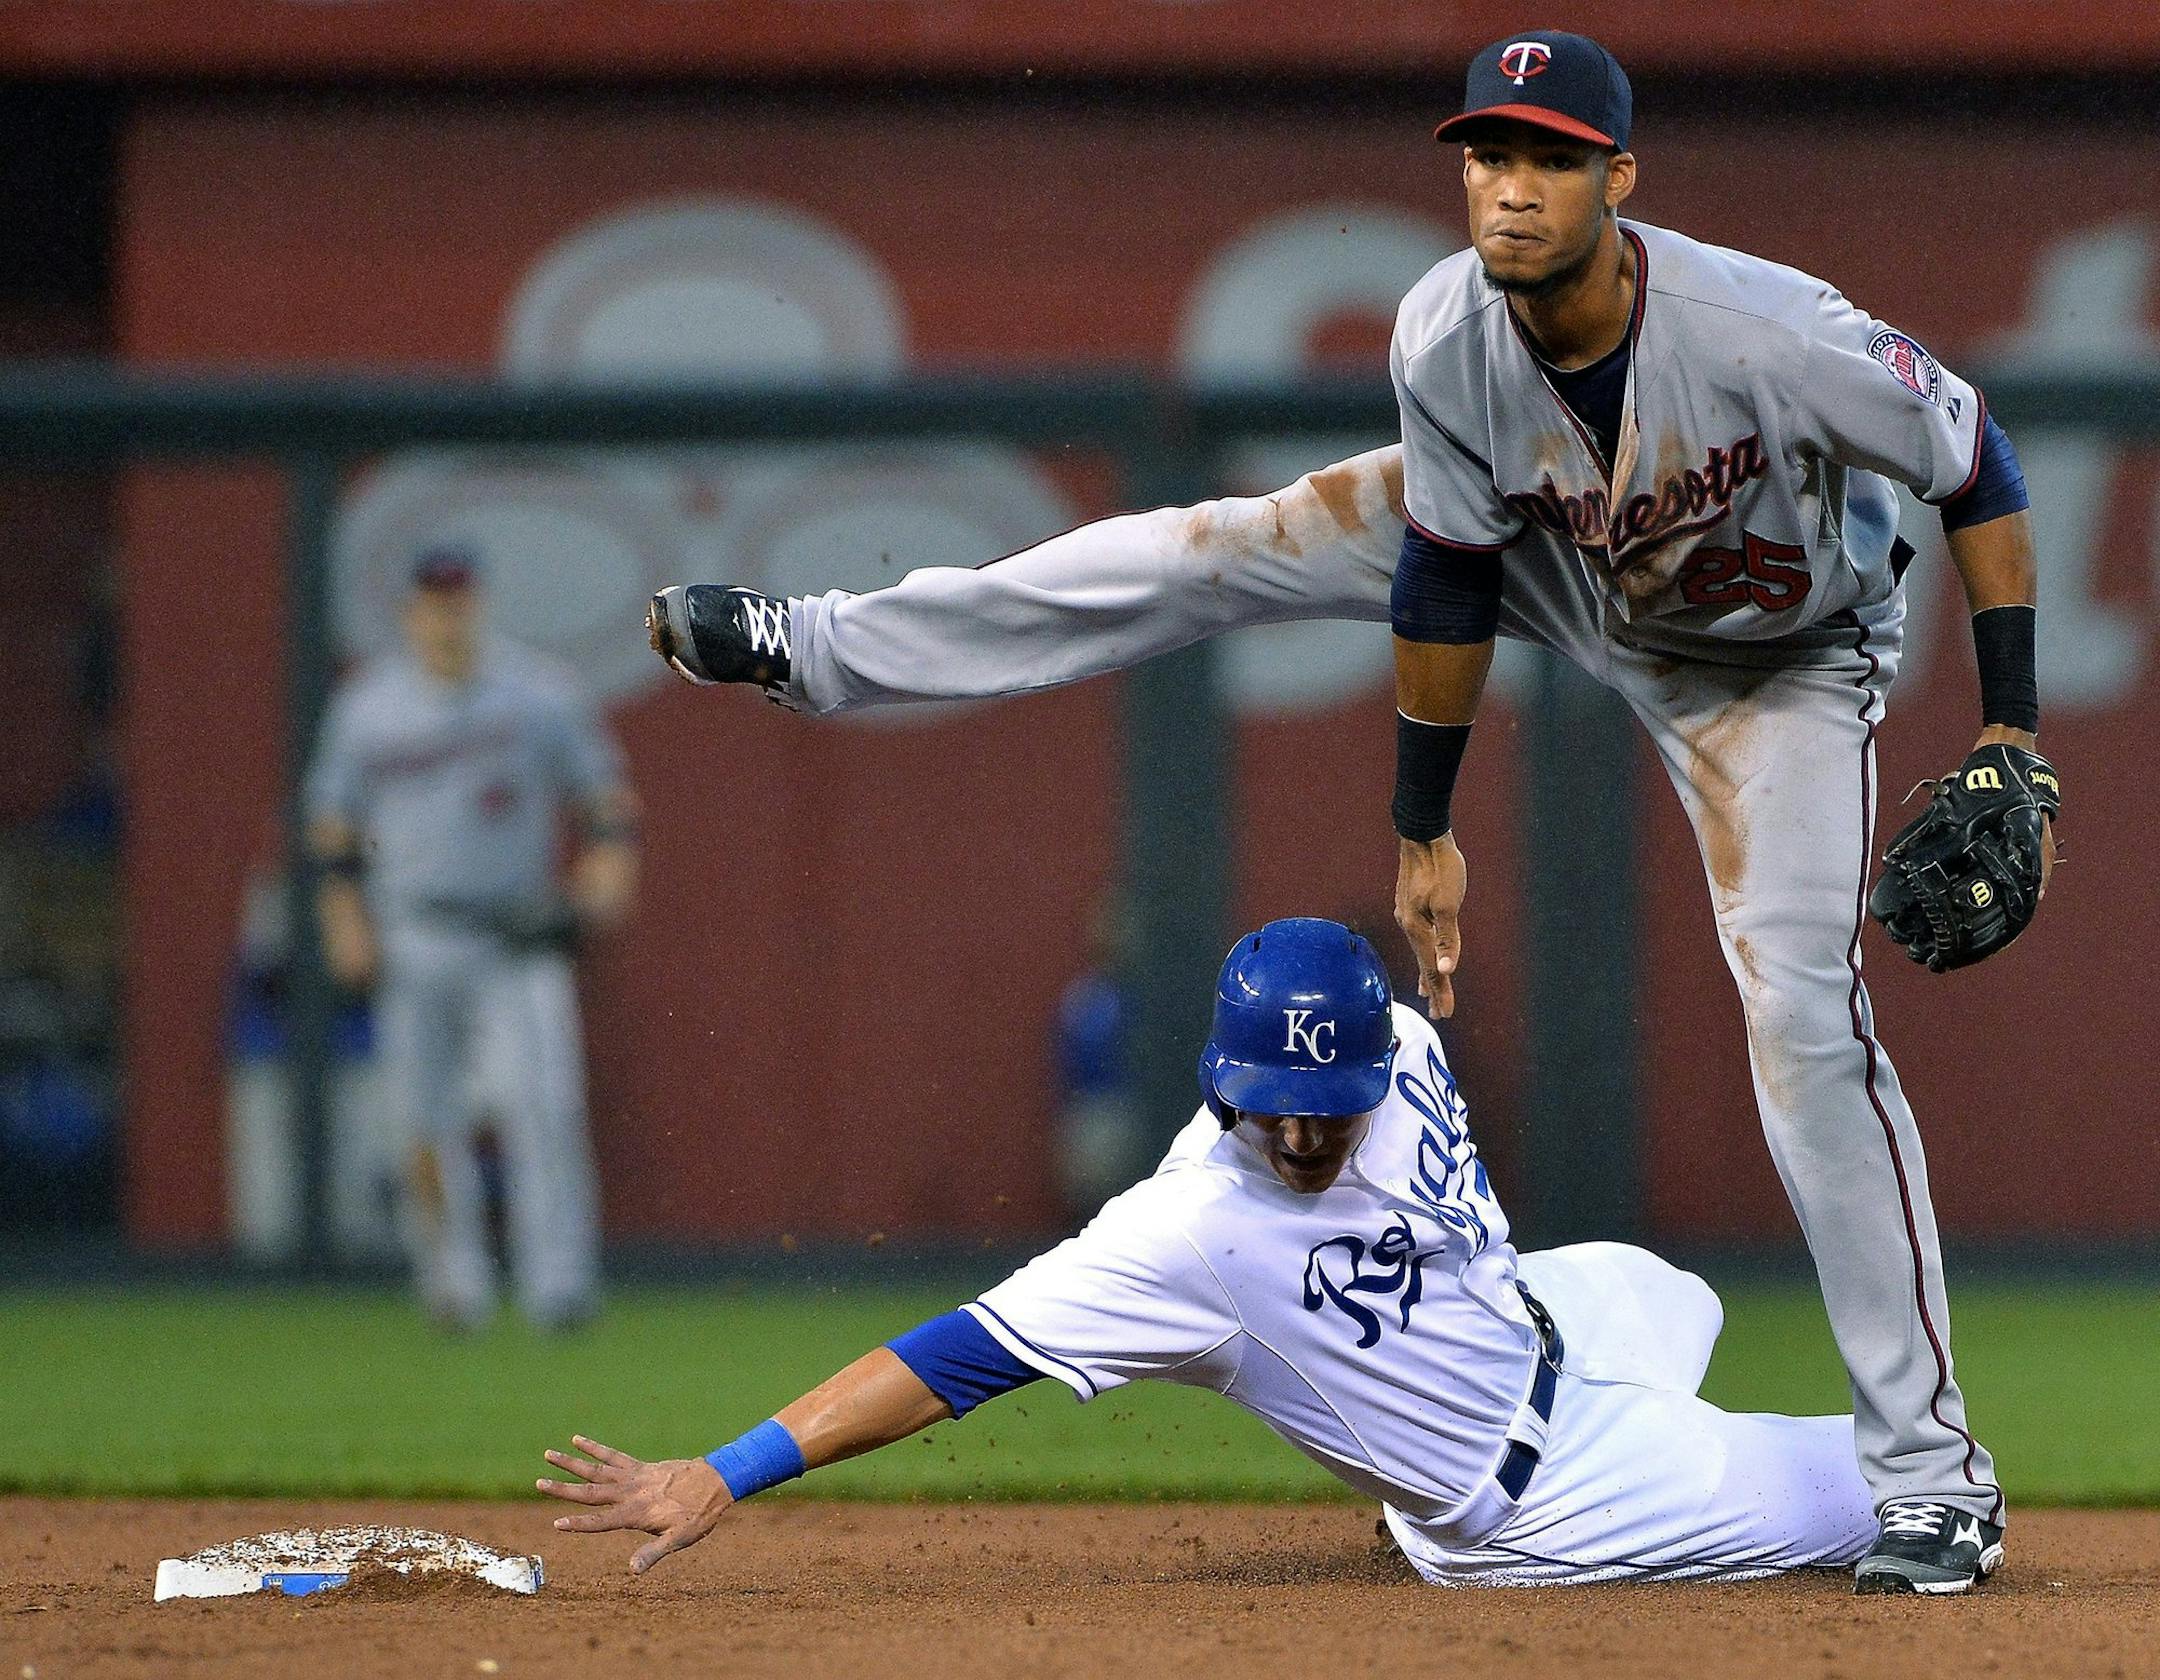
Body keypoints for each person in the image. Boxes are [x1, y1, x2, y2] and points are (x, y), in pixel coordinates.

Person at [643, 33, 2053, 1594]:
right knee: (1210, 546)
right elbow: (1446, 571)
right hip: (1543, 554)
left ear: (1619, 180)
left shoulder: (1767, 331)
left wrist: (2009, 730)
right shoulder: (1448, 329)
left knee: (1800, 1017)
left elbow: (1972, 457)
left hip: (1773, 660)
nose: (1510, 190)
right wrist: (1424, 830)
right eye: (1488, 158)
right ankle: (821, 647)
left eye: (1549, 161)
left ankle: (1931, 1476)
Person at [538, 918, 1883, 1588]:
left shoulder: (1406, 1046)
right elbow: (949, 1359)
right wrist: (725, 1470)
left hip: (1550, 1330)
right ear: (1223, 1078)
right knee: (1930, 1488)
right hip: (1537, 1493)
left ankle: (1680, 1469)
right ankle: (1623, 1512)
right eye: (1271, 1097)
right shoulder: (1186, 1239)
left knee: (1677, 1288)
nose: (1301, 1125)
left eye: (1327, 1098)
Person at [306, 544, 638, 1329]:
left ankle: (560, 1289)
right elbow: (333, 828)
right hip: (414, 931)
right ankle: (453, 1288)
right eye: (433, 601)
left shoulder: (536, 693)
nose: (447, 616)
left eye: (458, 600)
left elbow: (605, 801)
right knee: (421, 1122)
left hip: (512, 932)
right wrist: (344, 922)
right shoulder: (369, 707)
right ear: (410, 612)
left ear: (478, 604)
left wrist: (608, 871)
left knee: (543, 1110)